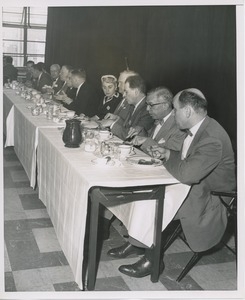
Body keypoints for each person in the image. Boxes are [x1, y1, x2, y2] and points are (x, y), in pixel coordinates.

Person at [108, 88, 236, 279]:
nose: (173, 113)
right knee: (143, 190)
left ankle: (152, 260)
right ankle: (137, 243)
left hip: (209, 197)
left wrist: (169, 158)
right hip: (195, 184)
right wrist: (168, 153)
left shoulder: (212, 137)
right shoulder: (201, 127)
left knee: (153, 200)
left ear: (187, 112)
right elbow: (186, 161)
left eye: (175, 110)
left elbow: (186, 174)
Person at [130, 86, 186, 152]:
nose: (147, 109)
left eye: (151, 105)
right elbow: (152, 139)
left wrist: (146, 141)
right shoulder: (158, 119)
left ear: (165, 106)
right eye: (147, 104)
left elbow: (170, 154)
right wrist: (141, 131)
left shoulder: (179, 127)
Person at [101, 75, 154, 140]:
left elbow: (132, 137)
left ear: (136, 92)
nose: (124, 95)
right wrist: (117, 118)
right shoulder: (133, 106)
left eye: (126, 92)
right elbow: (127, 127)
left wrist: (112, 124)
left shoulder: (148, 110)